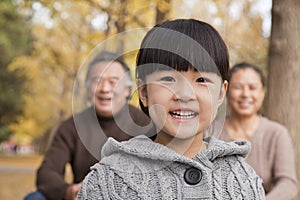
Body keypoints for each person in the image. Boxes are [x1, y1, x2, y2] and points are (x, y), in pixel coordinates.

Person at [78, 19, 265, 199]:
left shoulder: (244, 180)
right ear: (144, 92)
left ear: (220, 94)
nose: (184, 94)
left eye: (201, 80)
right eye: (168, 79)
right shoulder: (106, 180)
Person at [24, 51, 153, 200]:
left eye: (113, 81)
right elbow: (47, 173)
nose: (104, 88)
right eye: (97, 81)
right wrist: (69, 191)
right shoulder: (71, 126)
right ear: (87, 88)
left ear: (127, 89)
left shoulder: (146, 124)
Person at [219, 62, 298, 199]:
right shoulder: (210, 131)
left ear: (262, 92)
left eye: (252, 88)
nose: (245, 94)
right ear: (226, 90)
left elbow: (288, 183)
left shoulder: (276, 133)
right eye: (237, 87)